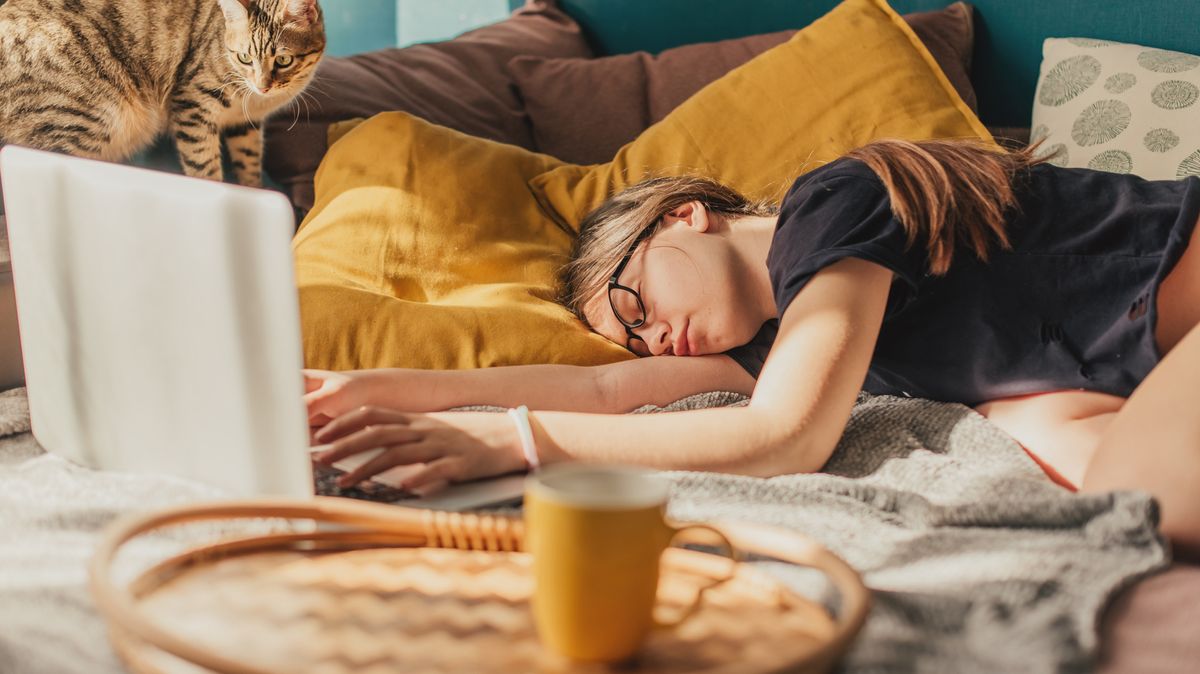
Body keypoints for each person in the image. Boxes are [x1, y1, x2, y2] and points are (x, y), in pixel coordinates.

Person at [304, 138, 1200, 559]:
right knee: (1132, 502)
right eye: (634, 336)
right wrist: (376, 389)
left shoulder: (833, 202)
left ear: (684, 217)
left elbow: (788, 435)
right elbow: (619, 395)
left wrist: (513, 440)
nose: (653, 337)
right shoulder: (783, 342)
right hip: (1144, 369)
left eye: (635, 299)